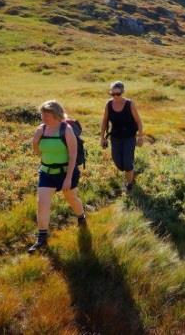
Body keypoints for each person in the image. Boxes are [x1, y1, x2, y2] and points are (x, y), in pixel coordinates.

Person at [29, 100, 86, 253]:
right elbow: (38, 152)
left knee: (71, 198)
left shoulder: (66, 130)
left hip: (66, 172)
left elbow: (73, 155)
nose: (44, 118)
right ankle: (42, 238)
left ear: (56, 114)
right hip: (47, 172)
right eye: (42, 114)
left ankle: (81, 216)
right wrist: (35, 141)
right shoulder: (40, 130)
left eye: (47, 115)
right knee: (42, 203)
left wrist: (67, 178)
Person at [100, 81, 144, 191]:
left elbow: (138, 121)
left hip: (129, 137)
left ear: (122, 92)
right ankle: (131, 173)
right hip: (115, 137)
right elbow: (104, 121)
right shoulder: (109, 104)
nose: (115, 96)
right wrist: (102, 137)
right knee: (119, 164)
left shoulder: (129, 104)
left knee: (127, 163)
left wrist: (140, 136)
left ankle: (129, 185)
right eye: (112, 94)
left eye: (118, 94)